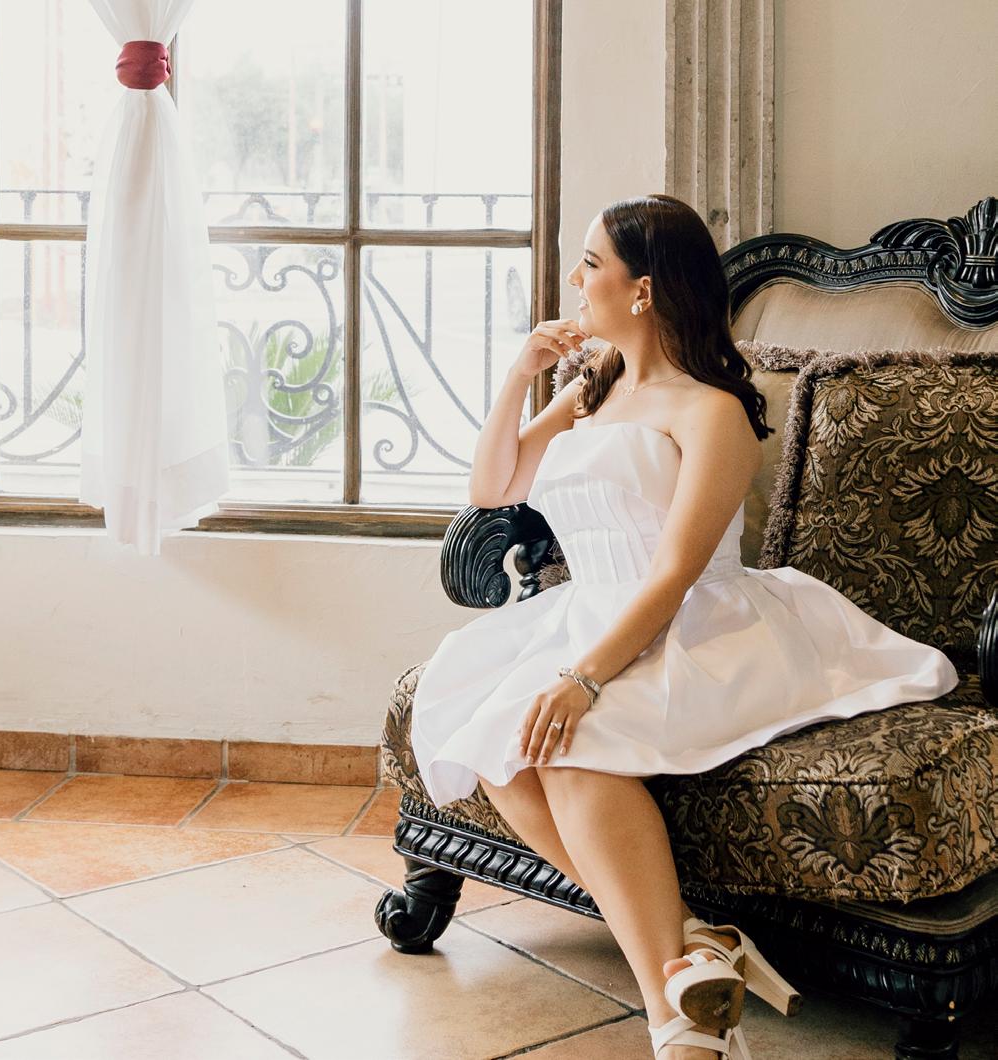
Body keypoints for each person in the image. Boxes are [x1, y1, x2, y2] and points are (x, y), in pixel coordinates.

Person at [408, 194, 960, 1060]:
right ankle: (693, 950)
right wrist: (520, 375)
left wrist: (581, 679)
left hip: (702, 624)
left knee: (571, 752)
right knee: (496, 747)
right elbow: (493, 487)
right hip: (586, 609)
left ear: (642, 289)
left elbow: (672, 574)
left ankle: (678, 1026)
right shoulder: (592, 388)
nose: (575, 278)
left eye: (592, 263)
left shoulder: (711, 411)